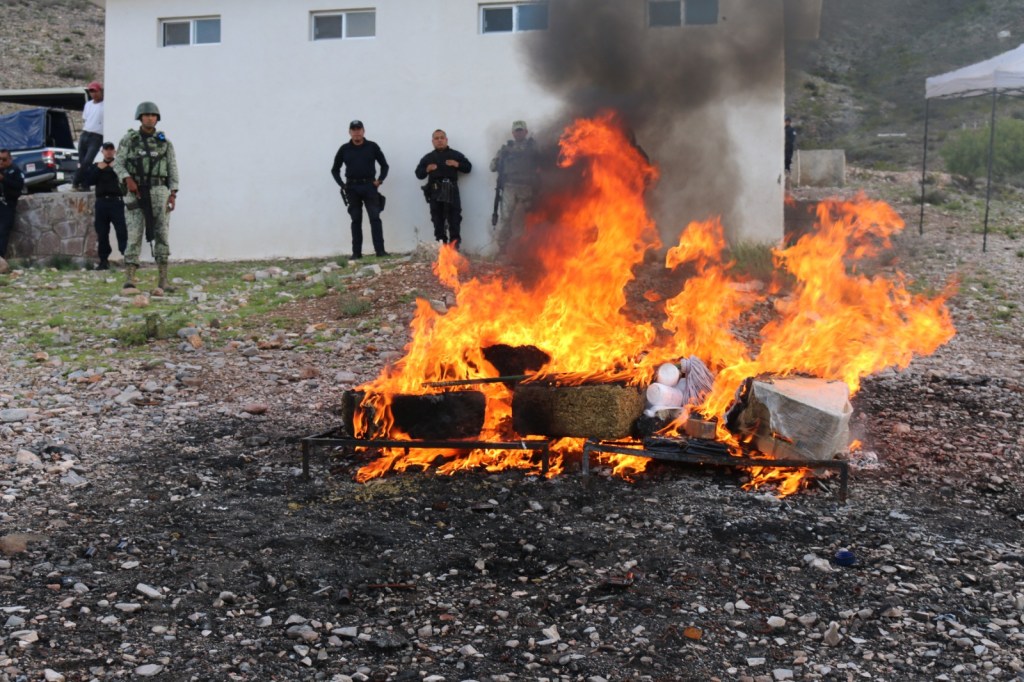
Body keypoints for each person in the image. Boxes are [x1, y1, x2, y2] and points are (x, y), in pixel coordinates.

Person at [113, 101, 179, 294]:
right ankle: (129, 279)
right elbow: (118, 164)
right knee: (134, 234)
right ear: (140, 118)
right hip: (136, 192)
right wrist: (127, 179)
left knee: (162, 234)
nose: (150, 118)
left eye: (153, 115)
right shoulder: (129, 140)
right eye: (146, 115)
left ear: (157, 118)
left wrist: (173, 193)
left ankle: (163, 280)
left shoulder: (164, 143)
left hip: (159, 191)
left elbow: (172, 168)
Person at [330, 120, 390, 259]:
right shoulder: (344, 149)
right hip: (352, 188)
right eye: (354, 129)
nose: (356, 132)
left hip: (369, 186)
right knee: (356, 220)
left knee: (375, 218)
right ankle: (356, 253)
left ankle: (380, 251)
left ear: (363, 131)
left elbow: (384, 165)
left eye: (359, 129)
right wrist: (342, 185)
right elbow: (335, 170)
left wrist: (380, 180)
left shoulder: (372, 146)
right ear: (349, 132)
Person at [415, 130, 472, 248]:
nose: (439, 140)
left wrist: (457, 164)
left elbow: (468, 168)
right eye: (436, 138)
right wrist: (427, 169)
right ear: (432, 141)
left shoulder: (455, 155)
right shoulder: (428, 158)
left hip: (451, 190)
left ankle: (454, 248)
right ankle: (442, 248)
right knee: (437, 220)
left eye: (442, 138)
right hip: (435, 192)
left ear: (446, 140)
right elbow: (418, 174)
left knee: (454, 219)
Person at [489, 120, 541, 252]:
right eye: (516, 131)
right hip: (510, 187)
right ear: (513, 133)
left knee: (526, 219)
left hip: (527, 188)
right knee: (506, 218)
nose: (518, 133)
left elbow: (544, 164)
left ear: (526, 132)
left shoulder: (533, 148)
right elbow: (492, 167)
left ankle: (524, 250)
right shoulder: (506, 149)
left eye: (521, 130)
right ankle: (503, 248)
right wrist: (501, 158)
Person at [82, 142, 127, 270]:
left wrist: (115, 167)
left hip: (116, 202)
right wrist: (98, 169)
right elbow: (88, 181)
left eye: (111, 149)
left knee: (122, 231)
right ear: (102, 152)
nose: (108, 151)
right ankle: (103, 261)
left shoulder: (120, 166)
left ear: (114, 151)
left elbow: (125, 179)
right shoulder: (96, 166)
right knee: (102, 232)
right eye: (106, 149)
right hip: (101, 203)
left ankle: (128, 258)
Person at [72, 81, 104, 191]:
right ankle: (85, 185)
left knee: (87, 161)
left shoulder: (105, 104)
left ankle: (75, 181)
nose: (93, 94)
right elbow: (85, 118)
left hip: (97, 136)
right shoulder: (88, 104)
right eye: (91, 91)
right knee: (82, 162)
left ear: (100, 91)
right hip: (85, 133)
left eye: (95, 91)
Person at [0, 149, 26, 260]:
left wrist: (3, 179)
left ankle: (1, 256)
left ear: (10, 159)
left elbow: (19, 186)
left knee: (3, 230)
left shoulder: (15, 170)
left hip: (8, 204)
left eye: (4, 159)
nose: (1, 162)